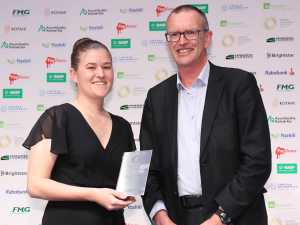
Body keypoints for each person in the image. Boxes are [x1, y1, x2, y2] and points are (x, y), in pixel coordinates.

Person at [140, 5, 271, 225]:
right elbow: (148, 169)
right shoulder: (156, 97)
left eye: (191, 32)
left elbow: (257, 161)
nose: (182, 41)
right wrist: (160, 216)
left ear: (207, 38)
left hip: (234, 216)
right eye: (174, 34)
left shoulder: (239, 85)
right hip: (178, 218)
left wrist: (220, 217)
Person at [23, 38, 136, 225]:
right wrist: (93, 194)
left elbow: (119, 188)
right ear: (74, 75)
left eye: (107, 67)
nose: (100, 74)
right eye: (91, 67)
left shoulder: (123, 126)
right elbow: (36, 185)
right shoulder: (57, 117)